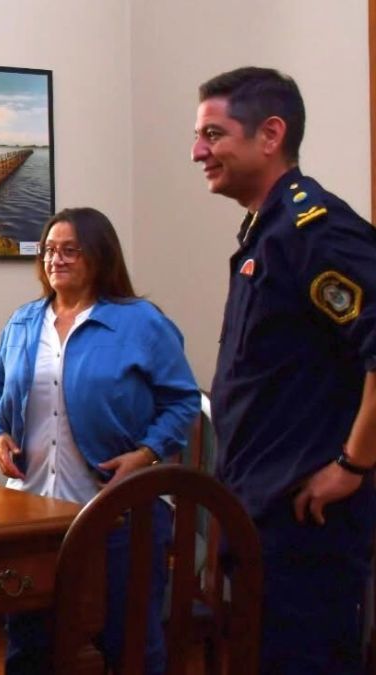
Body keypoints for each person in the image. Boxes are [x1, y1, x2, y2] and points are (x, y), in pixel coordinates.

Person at [192, 66, 376, 673]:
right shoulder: (265, 233)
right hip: (259, 512)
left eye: (214, 135)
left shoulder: (311, 231)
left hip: (305, 525)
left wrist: (354, 463)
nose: (199, 152)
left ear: (270, 135)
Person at [0, 207, 200, 674]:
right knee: (30, 646)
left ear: (99, 257)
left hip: (123, 515)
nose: (55, 259)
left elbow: (183, 403)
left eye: (69, 250)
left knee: (131, 646)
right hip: (36, 517)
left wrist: (145, 455)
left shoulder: (141, 322)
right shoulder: (22, 323)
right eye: (48, 250)